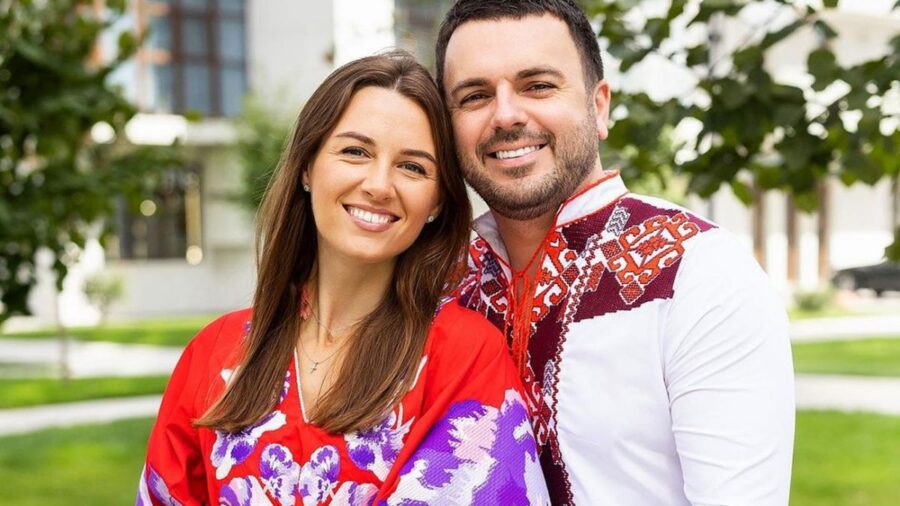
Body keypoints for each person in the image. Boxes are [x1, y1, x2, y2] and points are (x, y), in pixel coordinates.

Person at [136, 51, 550, 506]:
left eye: (413, 167)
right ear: (308, 166)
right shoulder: (214, 353)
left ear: (436, 201)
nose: (379, 185)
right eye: (356, 152)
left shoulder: (464, 355)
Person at [436, 1, 795, 504]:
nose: (506, 115)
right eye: (474, 96)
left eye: (538, 85)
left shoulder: (699, 272)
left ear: (599, 106)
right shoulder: (434, 284)